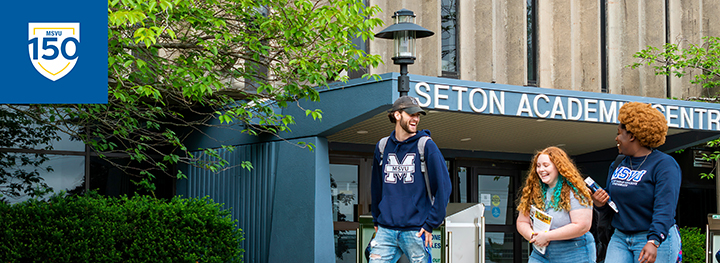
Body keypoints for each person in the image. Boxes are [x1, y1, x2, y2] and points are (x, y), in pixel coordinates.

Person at [591, 102, 682, 263]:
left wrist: (654, 241)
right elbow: (613, 203)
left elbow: (665, 207)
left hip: (652, 237)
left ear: (632, 136)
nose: (616, 138)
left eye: (619, 133)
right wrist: (599, 203)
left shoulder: (664, 164)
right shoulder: (618, 163)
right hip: (620, 237)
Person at [369, 96, 452, 263]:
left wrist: (431, 223)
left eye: (418, 115)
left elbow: (444, 186)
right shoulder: (382, 146)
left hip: (416, 230)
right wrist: (376, 218)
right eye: (411, 114)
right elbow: (376, 186)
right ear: (397, 115)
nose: (416, 119)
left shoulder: (426, 146)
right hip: (386, 230)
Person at [516, 146, 596, 263]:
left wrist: (547, 236)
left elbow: (582, 226)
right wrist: (533, 236)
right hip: (541, 254)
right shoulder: (533, 191)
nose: (541, 169)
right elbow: (522, 221)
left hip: (574, 253)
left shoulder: (576, 191)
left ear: (558, 167)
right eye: (538, 166)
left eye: (546, 165)